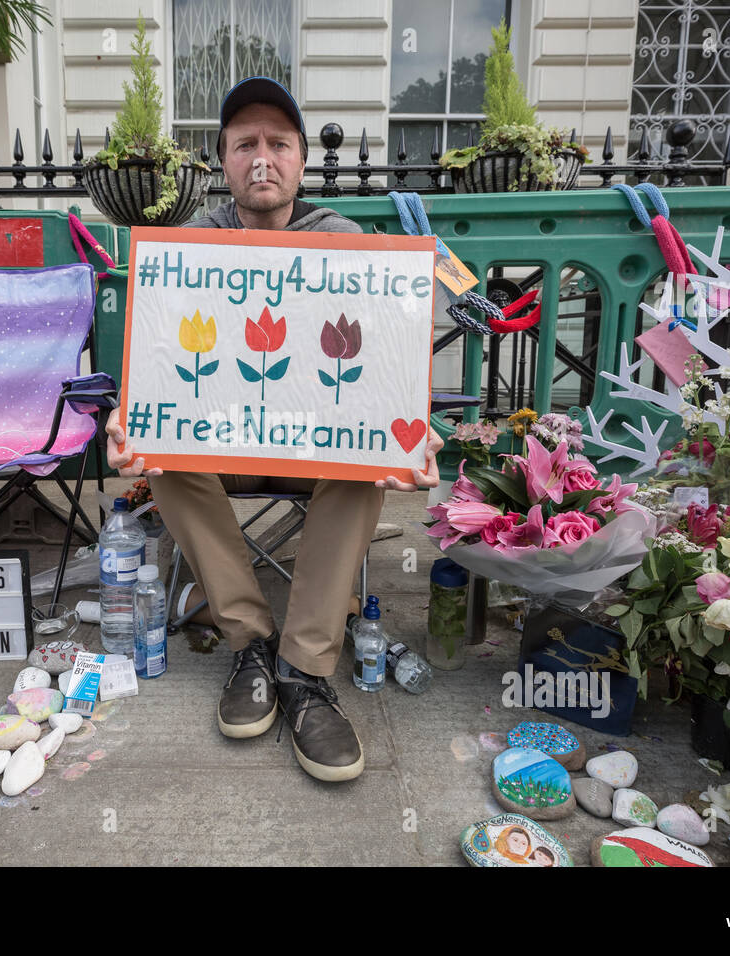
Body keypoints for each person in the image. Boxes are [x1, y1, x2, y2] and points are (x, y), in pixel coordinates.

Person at [106, 76, 442, 783]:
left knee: (366, 466)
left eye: (278, 144)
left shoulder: (345, 241)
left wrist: (410, 435)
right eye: (244, 144)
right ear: (224, 162)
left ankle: (303, 668)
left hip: (314, 452)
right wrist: (128, 418)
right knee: (163, 459)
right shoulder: (191, 242)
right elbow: (160, 363)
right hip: (222, 450)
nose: (262, 158)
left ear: (299, 161)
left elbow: (383, 369)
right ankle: (251, 642)